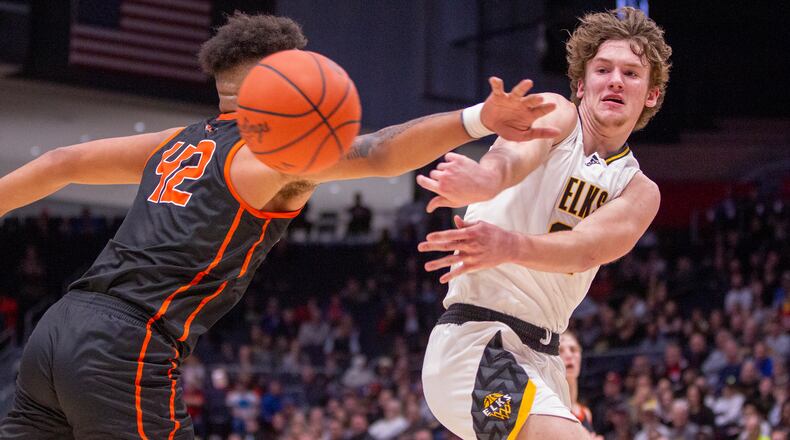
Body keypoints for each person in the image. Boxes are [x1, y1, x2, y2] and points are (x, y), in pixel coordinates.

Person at [0, 12, 559, 440]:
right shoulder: (264, 156)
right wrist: (476, 119)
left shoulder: (178, 142)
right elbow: (375, 153)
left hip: (56, 330)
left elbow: (60, 163)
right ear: (280, 79)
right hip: (127, 344)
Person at [418, 7, 671, 439]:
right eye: (603, 69)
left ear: (651, 94)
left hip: (544, 358)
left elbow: (586, 247)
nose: (614, 80)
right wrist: (484, 178)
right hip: (478, 340)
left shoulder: (640, 191)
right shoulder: (558, 114)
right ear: (580, 84)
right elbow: (513, 157)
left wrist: (510, 245)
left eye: (631, 73)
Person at [558, 332, 596, 434]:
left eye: (573, 349)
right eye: (560, 350)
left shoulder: (585, 413)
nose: (569, 355)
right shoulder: (549, 410)